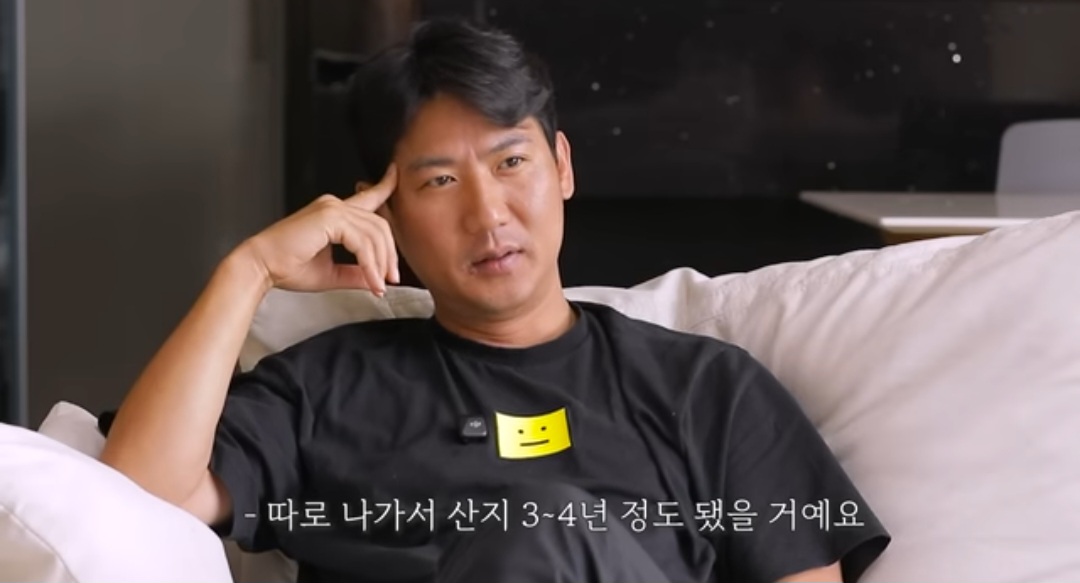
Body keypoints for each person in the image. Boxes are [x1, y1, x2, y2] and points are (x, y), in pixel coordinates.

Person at [99, 18, 890, 583]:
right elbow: (135, 498)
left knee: (541, 527)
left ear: (562, 167)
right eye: (440, 181)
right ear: (384, 212)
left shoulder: (707, 389)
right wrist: (247, 271)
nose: (487, 214)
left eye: (512, 162)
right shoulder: (322, 388)